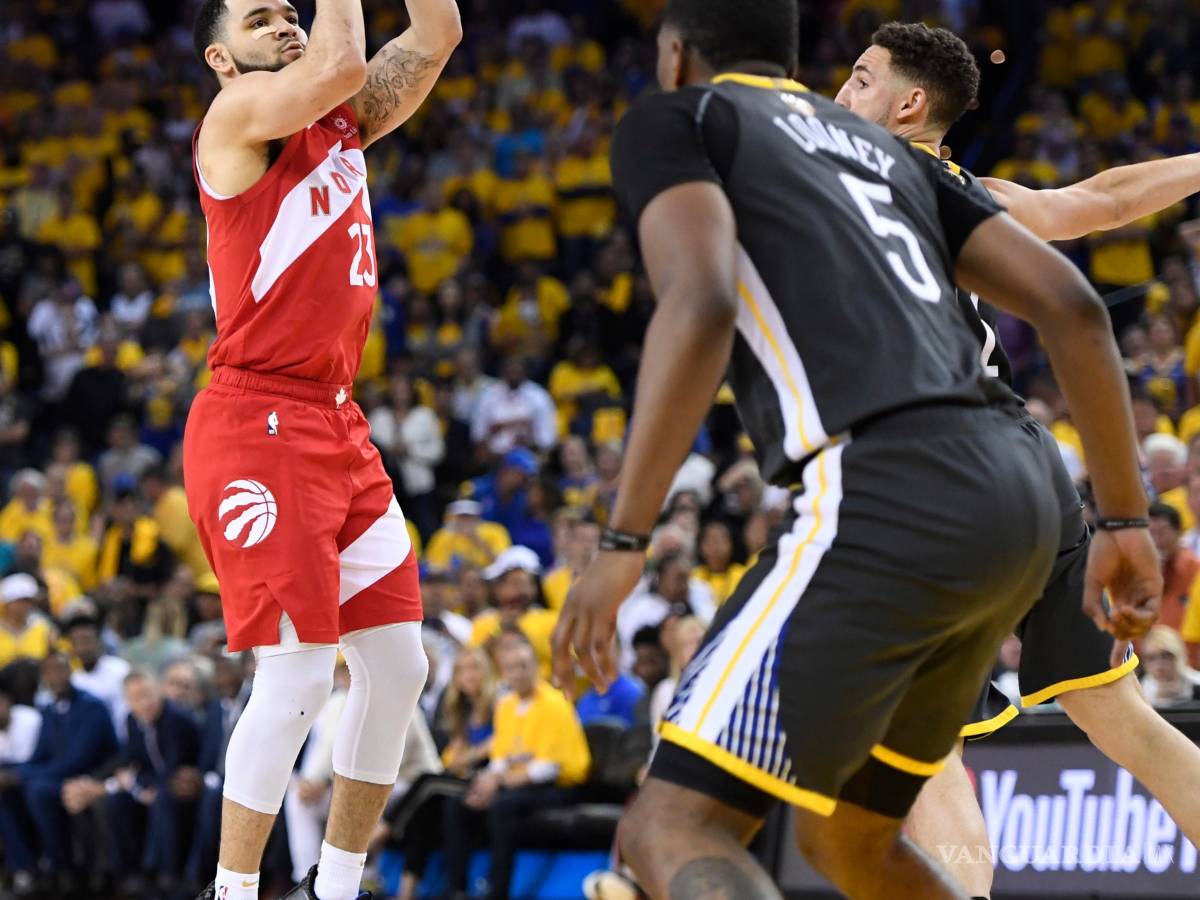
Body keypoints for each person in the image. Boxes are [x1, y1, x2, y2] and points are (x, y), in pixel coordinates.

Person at [552, 3, 1157, 899]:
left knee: (670, 826)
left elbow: (703, 304)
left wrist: (622, 543)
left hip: (883, 486)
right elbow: (1072, 307)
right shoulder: (892, 156)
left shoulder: (682, 118)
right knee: (850, 845)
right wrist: (1124, 517)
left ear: (675, 55)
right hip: (1024, 491)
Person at [834, 20, 1200, 897]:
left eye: (857, 79)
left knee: (915, 745)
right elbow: (1102, 203)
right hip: (1031, 466)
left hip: (933, 473)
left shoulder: (849, 176)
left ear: (908, 104)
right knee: (1124, 720)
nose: (839, 97)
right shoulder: (971, 191)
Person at [187, 0, 461, 898]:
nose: (284, 23)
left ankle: (334, 887)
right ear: (222, 61)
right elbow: (343, 60)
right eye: (259, 19)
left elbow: (436, 35)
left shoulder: (340, 118)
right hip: (256, 419)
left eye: (288, 11)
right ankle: (232, 894)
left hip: (335, 419)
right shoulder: (232, 121)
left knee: (398, 663)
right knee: (300, 671)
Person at [443, 638, 590, 900]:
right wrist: (487, 782)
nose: (518, 673)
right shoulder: (506, 705)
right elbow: (501, 758)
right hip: (516, 783)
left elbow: (549, 769)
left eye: (523, 666)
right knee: (458, 803)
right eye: (510, 668)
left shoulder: (553, 703)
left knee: (503, 806)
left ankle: (497, 892)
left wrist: (498, 783)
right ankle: (457, 890)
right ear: (503, 673)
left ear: (536, 667)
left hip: (563, 785)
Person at [1140, 625, 1200, 707]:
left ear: (1179, 656)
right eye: (1151, 658)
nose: (1159, 666)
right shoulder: (1139, 691)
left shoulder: (1196, 682)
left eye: (1166, 656)